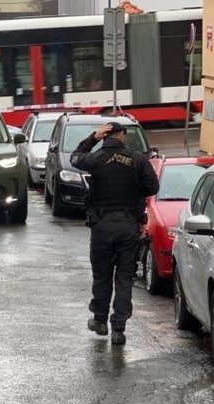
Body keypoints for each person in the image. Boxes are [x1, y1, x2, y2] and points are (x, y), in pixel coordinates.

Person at [71, 122, 159, 345]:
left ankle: (100, 320)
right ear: (121, 135)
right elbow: (153, 187)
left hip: (102, 225)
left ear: (105, 136)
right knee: (124, 278)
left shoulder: (96, 158)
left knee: (102, 275)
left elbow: (75, 157)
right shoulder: (137, 159)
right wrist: (134, 190)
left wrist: (93, 137)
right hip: (128, 225)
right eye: (124, 134)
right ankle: (118, 329)